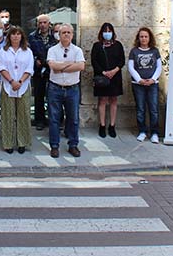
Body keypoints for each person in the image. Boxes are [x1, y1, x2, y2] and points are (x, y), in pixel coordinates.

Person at [46, 23, 84, 158]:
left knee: (73, 119)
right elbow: (53, 66)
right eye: (63, 33)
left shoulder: (77, 50)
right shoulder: (52, 50)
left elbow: (81, 66)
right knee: (54, 118)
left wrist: (61, 66)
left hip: (72, 89)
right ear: (59, 35)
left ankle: (73, 145)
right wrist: (70, 64)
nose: (66, 34)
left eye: (69, 32)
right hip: (55, 88)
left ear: (72, 35)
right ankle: (54, 146)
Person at [0, 25, 34, 154]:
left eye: (18, 34)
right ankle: (8, 143)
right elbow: (1, 68)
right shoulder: (3, 51)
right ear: (9, 36)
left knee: (23, 115)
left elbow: (29, 69)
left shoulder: (27, 51)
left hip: (23, 86)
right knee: (7, 115)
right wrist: (12, 81)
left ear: (22, 36)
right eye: (13, 34)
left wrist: (20, 81)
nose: (15, 36)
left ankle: (22, 143)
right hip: (8, 86)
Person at [127, 27, 162, 143]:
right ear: (138, 38)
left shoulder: (155, 51)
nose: (143, 38)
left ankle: (154, 133)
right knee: (140, 109)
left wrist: (153, 79)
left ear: (149, 38)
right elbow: (131, 67)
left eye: (146, 36)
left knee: (153, 109)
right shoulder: (134, 51)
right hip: (138, 85)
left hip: (153, 85)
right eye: (141, 36)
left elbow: (159, 67)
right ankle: (142, 131)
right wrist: (139, 79)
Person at [90, 22, 125, 138]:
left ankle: (112, 125)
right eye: (105, 31)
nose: (107, 33)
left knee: (114, 100)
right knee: (102, 100)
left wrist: (114, 71)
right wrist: (104, 72)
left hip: (115, 77)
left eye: (109, 31)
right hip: (102, 77)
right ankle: (102, 125)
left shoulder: (118, 45)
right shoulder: (97, 46)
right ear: (101, 33)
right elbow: (94, 61)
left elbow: (122, 61)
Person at [28, 14, 57, 131]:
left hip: (52, 69)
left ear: (49, 23)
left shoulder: (55, 36)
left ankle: (54, 119)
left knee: (53, 96)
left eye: (45, 22)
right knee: (39, 96)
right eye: (40, 23)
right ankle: (39, 119)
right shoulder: (32, 36)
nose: (43, 25)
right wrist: (35, 60)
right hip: (38, 70)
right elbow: (28, 52)